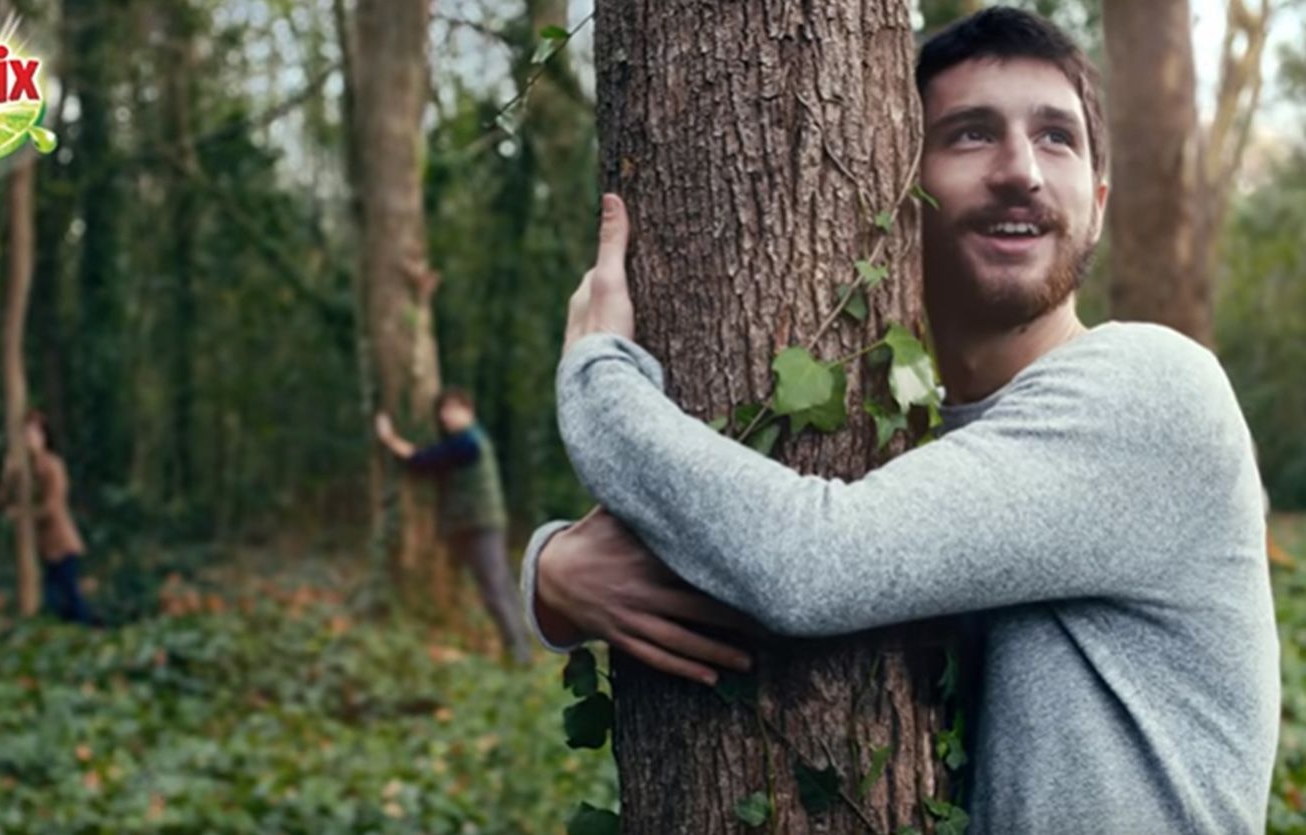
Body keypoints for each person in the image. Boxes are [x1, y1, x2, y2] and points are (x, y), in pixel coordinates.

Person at [520, 9, 1278, 833]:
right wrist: (553, 578)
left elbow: (813, 562)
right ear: (897, 182)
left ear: (1096, 204)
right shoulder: (915, 434)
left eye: (1056, 137)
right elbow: (732, 546)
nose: (1021, 168)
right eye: (970, 134)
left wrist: (597, 375)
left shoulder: (1152, 389)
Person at [376, 389, 532, 664]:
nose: (446, 416)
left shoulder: (467, 443)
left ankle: (519, 654)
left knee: (495, 589)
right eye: (443, 411)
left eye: (453, 409)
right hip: (478, 523)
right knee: (501, 586)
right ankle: (519, 648)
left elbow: (421, 461)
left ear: (468, 412)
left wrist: (390, 439)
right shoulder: (468, 440)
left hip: (480, 524)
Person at [0, 410, 97, 625]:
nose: (29, 440)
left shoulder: (53, 466)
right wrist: (8, 476)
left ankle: (92, 634)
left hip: (61, 544)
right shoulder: (24, 470)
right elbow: (3, 500)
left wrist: (24, 515)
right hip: (42, 548)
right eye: (25, 435)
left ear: (43, 437)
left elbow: (53, 506)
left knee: (69, 599)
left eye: (34, 434)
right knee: (55, 601)